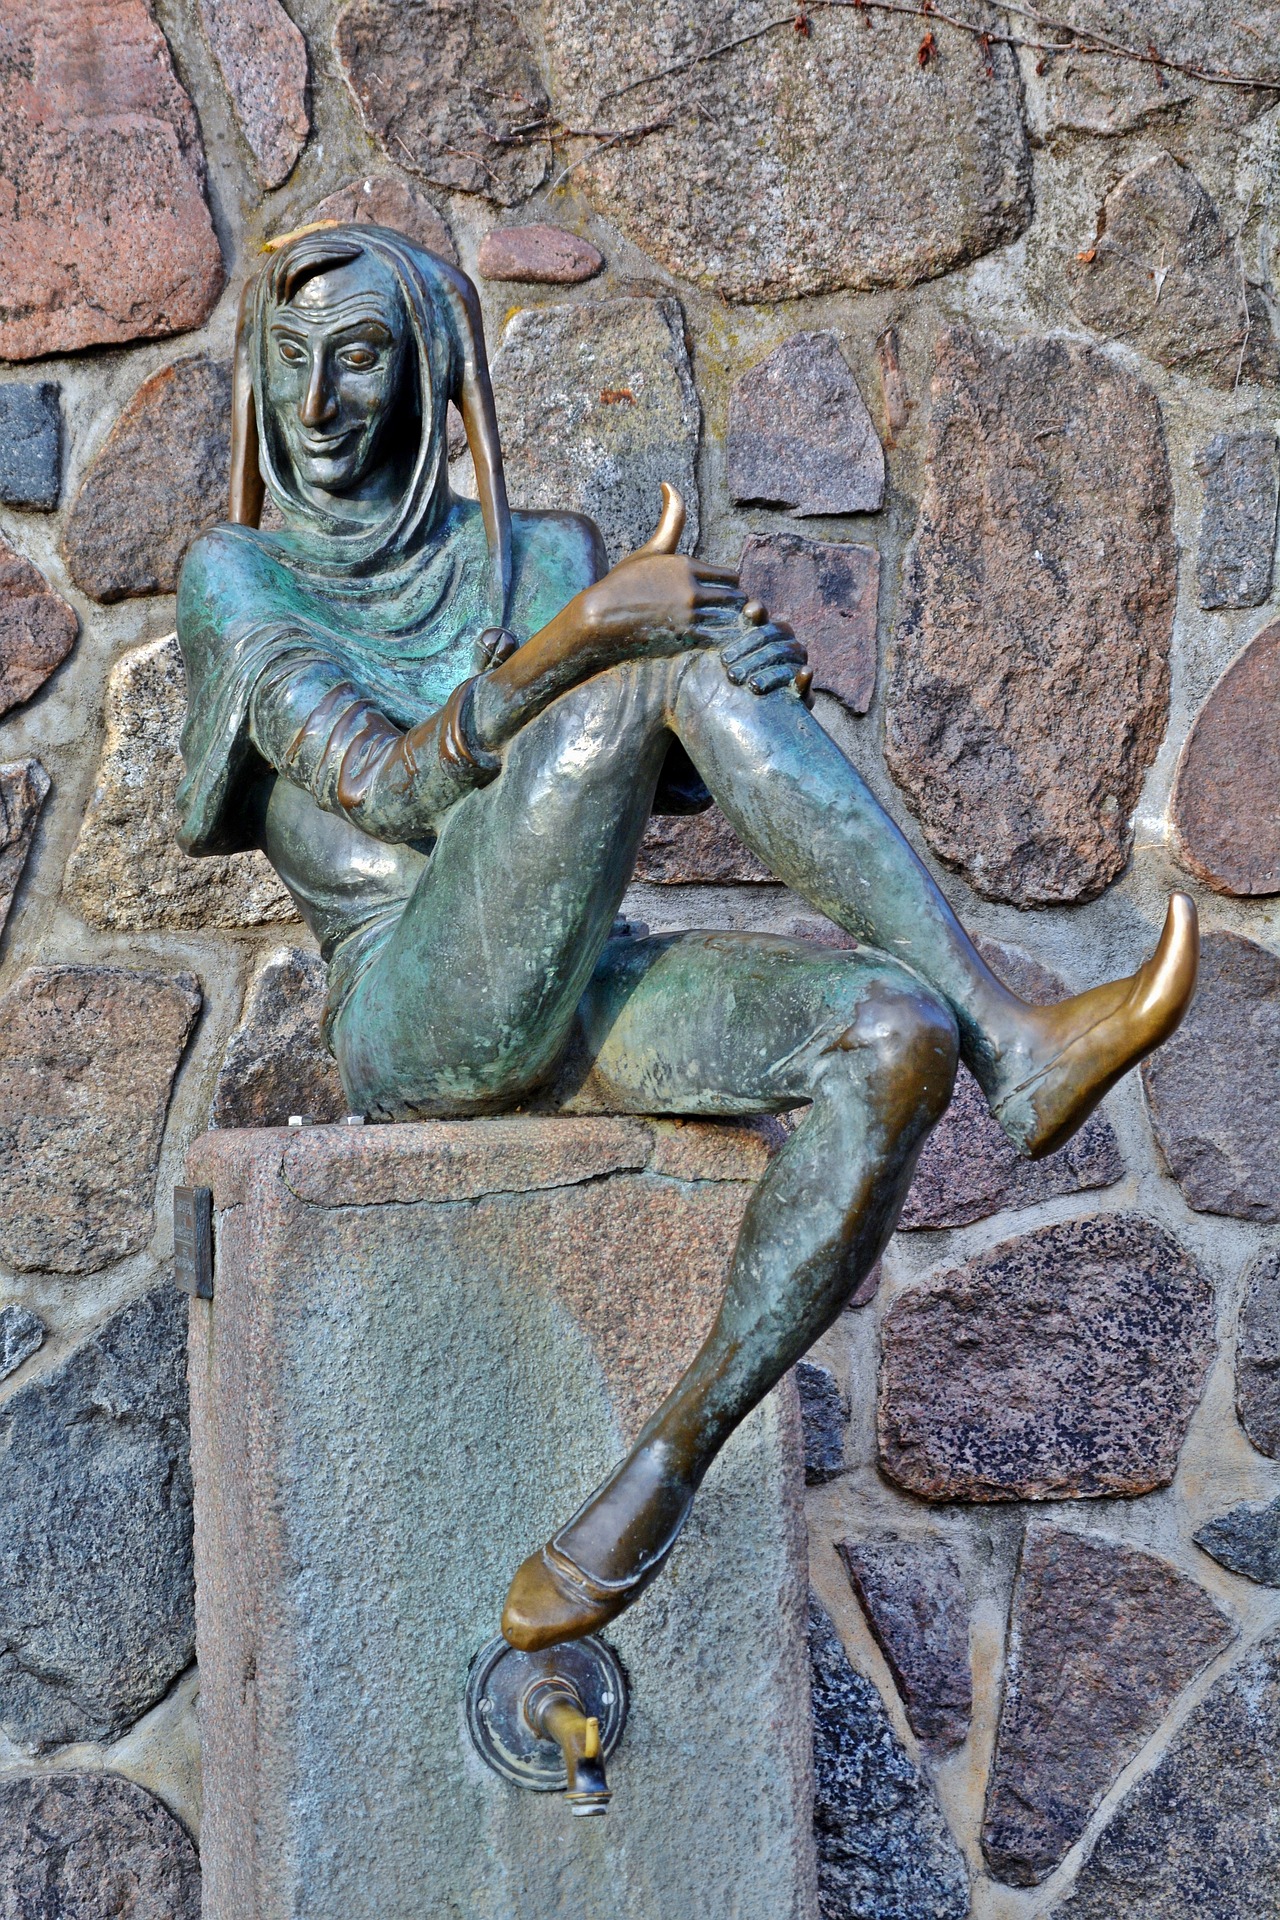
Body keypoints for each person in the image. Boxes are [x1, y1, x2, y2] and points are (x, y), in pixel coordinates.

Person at [177, 223, 1198, 1654]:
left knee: (891, 1037)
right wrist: (597, 638)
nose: (318, 403)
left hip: (577, 990)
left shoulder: (538, 555)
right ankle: (1013, 1039)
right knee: (659, 653)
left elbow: (611, 785)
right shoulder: (239, 579)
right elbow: (394, 786)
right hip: (411, 1011)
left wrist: (739, 674)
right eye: (289, 361)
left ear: (431, 383)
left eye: (360, 360)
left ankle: (661, 1466)